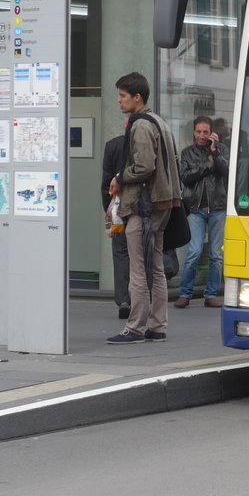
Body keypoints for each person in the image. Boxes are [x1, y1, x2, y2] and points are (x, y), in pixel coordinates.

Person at [106, 72, 183, 344]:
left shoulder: (140, 125)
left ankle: (135, 328)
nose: (119, 101)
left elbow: (143, 167)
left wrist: (119, 178)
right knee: (157, 267)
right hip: (164, 204)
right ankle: (157, 326)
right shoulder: (159, 121)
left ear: (137, 97)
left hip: (143, 206)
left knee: (139, 269)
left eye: (122, 96)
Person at [176, 115, 228, 308]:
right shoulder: (187, 153)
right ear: (194, 132)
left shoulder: (221, 150)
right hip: (196, 209)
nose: (202, 135)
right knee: (194, 252)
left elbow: (227, 171)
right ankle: (185, 293)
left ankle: (211, 294)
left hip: (218, 207)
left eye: (206, 132)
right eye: (199, 132)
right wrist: (208, 165)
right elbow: (186, 177)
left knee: (216, 254)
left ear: (212, 133)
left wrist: (215, 154)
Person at [101, 121, 131, 320]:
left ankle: (123, 299)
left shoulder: (112, 145)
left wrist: (109, 209)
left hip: (119, 208)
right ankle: (137, 298)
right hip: (139, 208)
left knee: (120, 254)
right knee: (138, 254)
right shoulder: (144, 145)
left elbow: (105, 183)